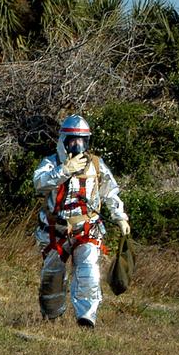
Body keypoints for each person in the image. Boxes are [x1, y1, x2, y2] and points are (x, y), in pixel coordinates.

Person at [33, 114, 129, 328]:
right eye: (73, 140)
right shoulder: (51, 163)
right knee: (52, 277)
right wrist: (65, 170)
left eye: (82, 140)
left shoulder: (96, 164)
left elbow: (110, 192)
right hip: (55, 228)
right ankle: (51, 318)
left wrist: (120, 217)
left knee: (89, 272)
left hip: (87, 227)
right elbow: (39, 183)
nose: (78, 144)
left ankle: (86, 318)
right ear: (64, 140)